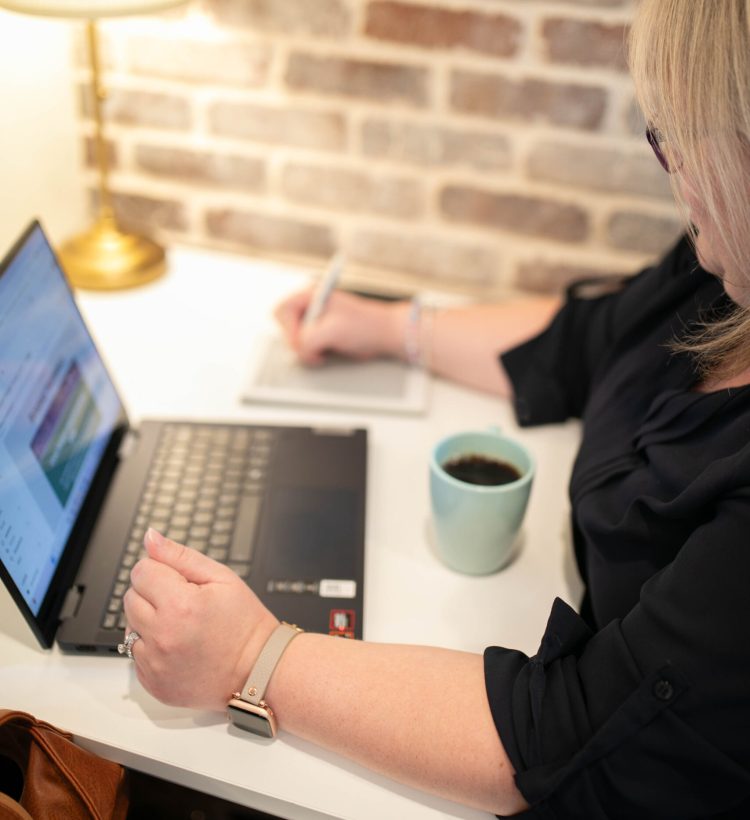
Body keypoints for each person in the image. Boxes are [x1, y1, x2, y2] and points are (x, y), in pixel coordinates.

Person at [122, 1, 750, 816]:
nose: (669, 171)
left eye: (684, 134)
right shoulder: (720, 269)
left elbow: (567, 733)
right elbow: (588, 339)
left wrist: (252, 655)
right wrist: (391, 326)